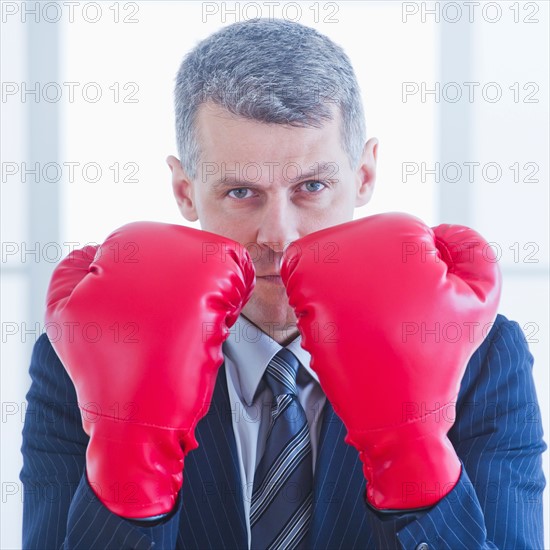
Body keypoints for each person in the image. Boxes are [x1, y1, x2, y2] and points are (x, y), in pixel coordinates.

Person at [21, 18, 546, 549]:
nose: (279, 236)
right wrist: (131, 467)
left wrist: (413, 454)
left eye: (312, 186)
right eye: (240, 192)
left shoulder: (480, 355)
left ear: (363, 175)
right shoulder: (85, 356)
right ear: (185, 190)